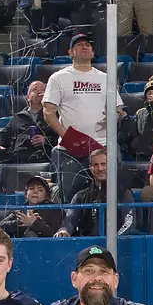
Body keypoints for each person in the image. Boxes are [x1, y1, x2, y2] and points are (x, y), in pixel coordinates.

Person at [43, 33, 109, 203]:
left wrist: (114, 117)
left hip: (101, 146)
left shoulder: (105, 78)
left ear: (93, 52)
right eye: (80, 45)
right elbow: (48, 112)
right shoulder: (58, 78)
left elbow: (117, 110)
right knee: (72, 197)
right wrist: (67, 137)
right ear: (70, 52)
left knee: (109, 195)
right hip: (69, 150)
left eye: (88, 44)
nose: (85, 47)